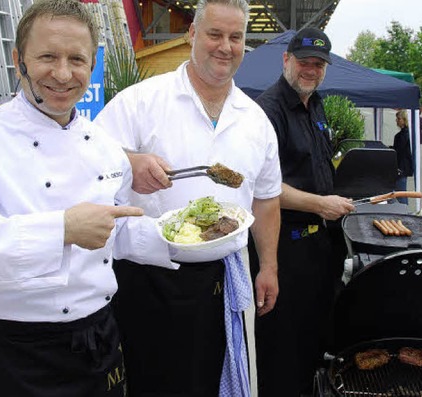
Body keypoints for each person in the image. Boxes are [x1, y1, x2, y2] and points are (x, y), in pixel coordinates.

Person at [0, 1, 177, 395]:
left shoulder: (104, 146)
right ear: (18, 59)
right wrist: (62, 229)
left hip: (99, 339)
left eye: (77, 59)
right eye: (48, 56)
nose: (64, 74)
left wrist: (182, 235)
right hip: (16, 353)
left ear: (91, 64)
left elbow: (114, 235)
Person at [93, 1, 282, 395]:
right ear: (192, 34)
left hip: (223, 278)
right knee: (151, 382)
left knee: (212, 380)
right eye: (215, 34)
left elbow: (265, 198)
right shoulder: (140, 101)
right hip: (148, 279)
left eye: (236, 37)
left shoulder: (255, 119)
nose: (225, 47)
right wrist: (129, 162)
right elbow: (86, 164)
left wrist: (269, 267)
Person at [251, 27, 355, 396]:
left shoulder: (317, 103)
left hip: (320, 248)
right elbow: (261, 188)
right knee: (283, 344)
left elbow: (316, 164)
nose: (311, 70)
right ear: (286, 60)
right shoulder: (267, 111)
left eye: (319, 64)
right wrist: (319, 204)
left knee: (314, 334)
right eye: (304, 62)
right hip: (284, 249)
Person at [392, 109, 414, 204]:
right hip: (404, 166)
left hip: (402, 166)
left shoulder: (403, 135)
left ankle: (404, 210)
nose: (397, 121)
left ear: (404, 120)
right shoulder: (408, 134)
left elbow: (399, 152)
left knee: (400, 192)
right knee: (400, 192)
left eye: (398, 119)